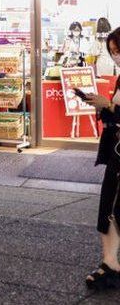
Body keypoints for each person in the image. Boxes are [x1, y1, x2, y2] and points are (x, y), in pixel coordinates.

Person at [79, 26, 120, 291]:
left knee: (115, 209)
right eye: (113, 52)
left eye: (119, 50)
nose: (116, 56)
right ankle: (109, 263)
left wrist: (109, 106)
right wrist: (103, 106)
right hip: (116, 151)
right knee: (108, 209)